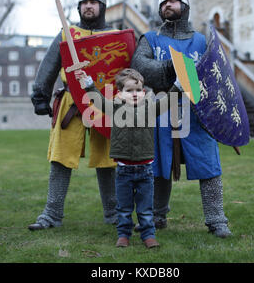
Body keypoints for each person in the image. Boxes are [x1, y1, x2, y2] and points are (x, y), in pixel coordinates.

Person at [130, 0, 232, 238]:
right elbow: (140, 67)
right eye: (164, 2)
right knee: (158, 165)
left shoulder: (200, 40)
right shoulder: (150, 39)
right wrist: (177, 66)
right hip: (161, 107)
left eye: (173, 1)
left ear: (184, 7)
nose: (168, 5)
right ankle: (156, 215)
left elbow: (215, 73)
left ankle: (216, 219)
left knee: (208, 164)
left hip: (197, 110)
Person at [28, 0, 118, 231]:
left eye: (94, 2)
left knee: (109, 160)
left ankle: (114, 213)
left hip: (105, 102)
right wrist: (40, 96)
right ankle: (52, 214)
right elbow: (49, 65)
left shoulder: (116, 36)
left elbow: (126, 70)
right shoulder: (67, 34)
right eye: (84, 2)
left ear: (102, 7)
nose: (89, 6)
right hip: (71, 101)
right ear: (79, 8)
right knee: (61, 158)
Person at [75, 67, 182, 248]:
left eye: (138, 90)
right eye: (129, 90)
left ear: (144, 91)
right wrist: (88, 83)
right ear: (120, 93)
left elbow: (167, 101)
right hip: (124, 170)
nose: (135, 94)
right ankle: (123, 235)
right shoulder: (114, 108)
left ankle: (148, 235)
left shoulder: (150, 109)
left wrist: (178, 85)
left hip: (146, 170)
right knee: (124, 208)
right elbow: (98, 100)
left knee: (146, 208)